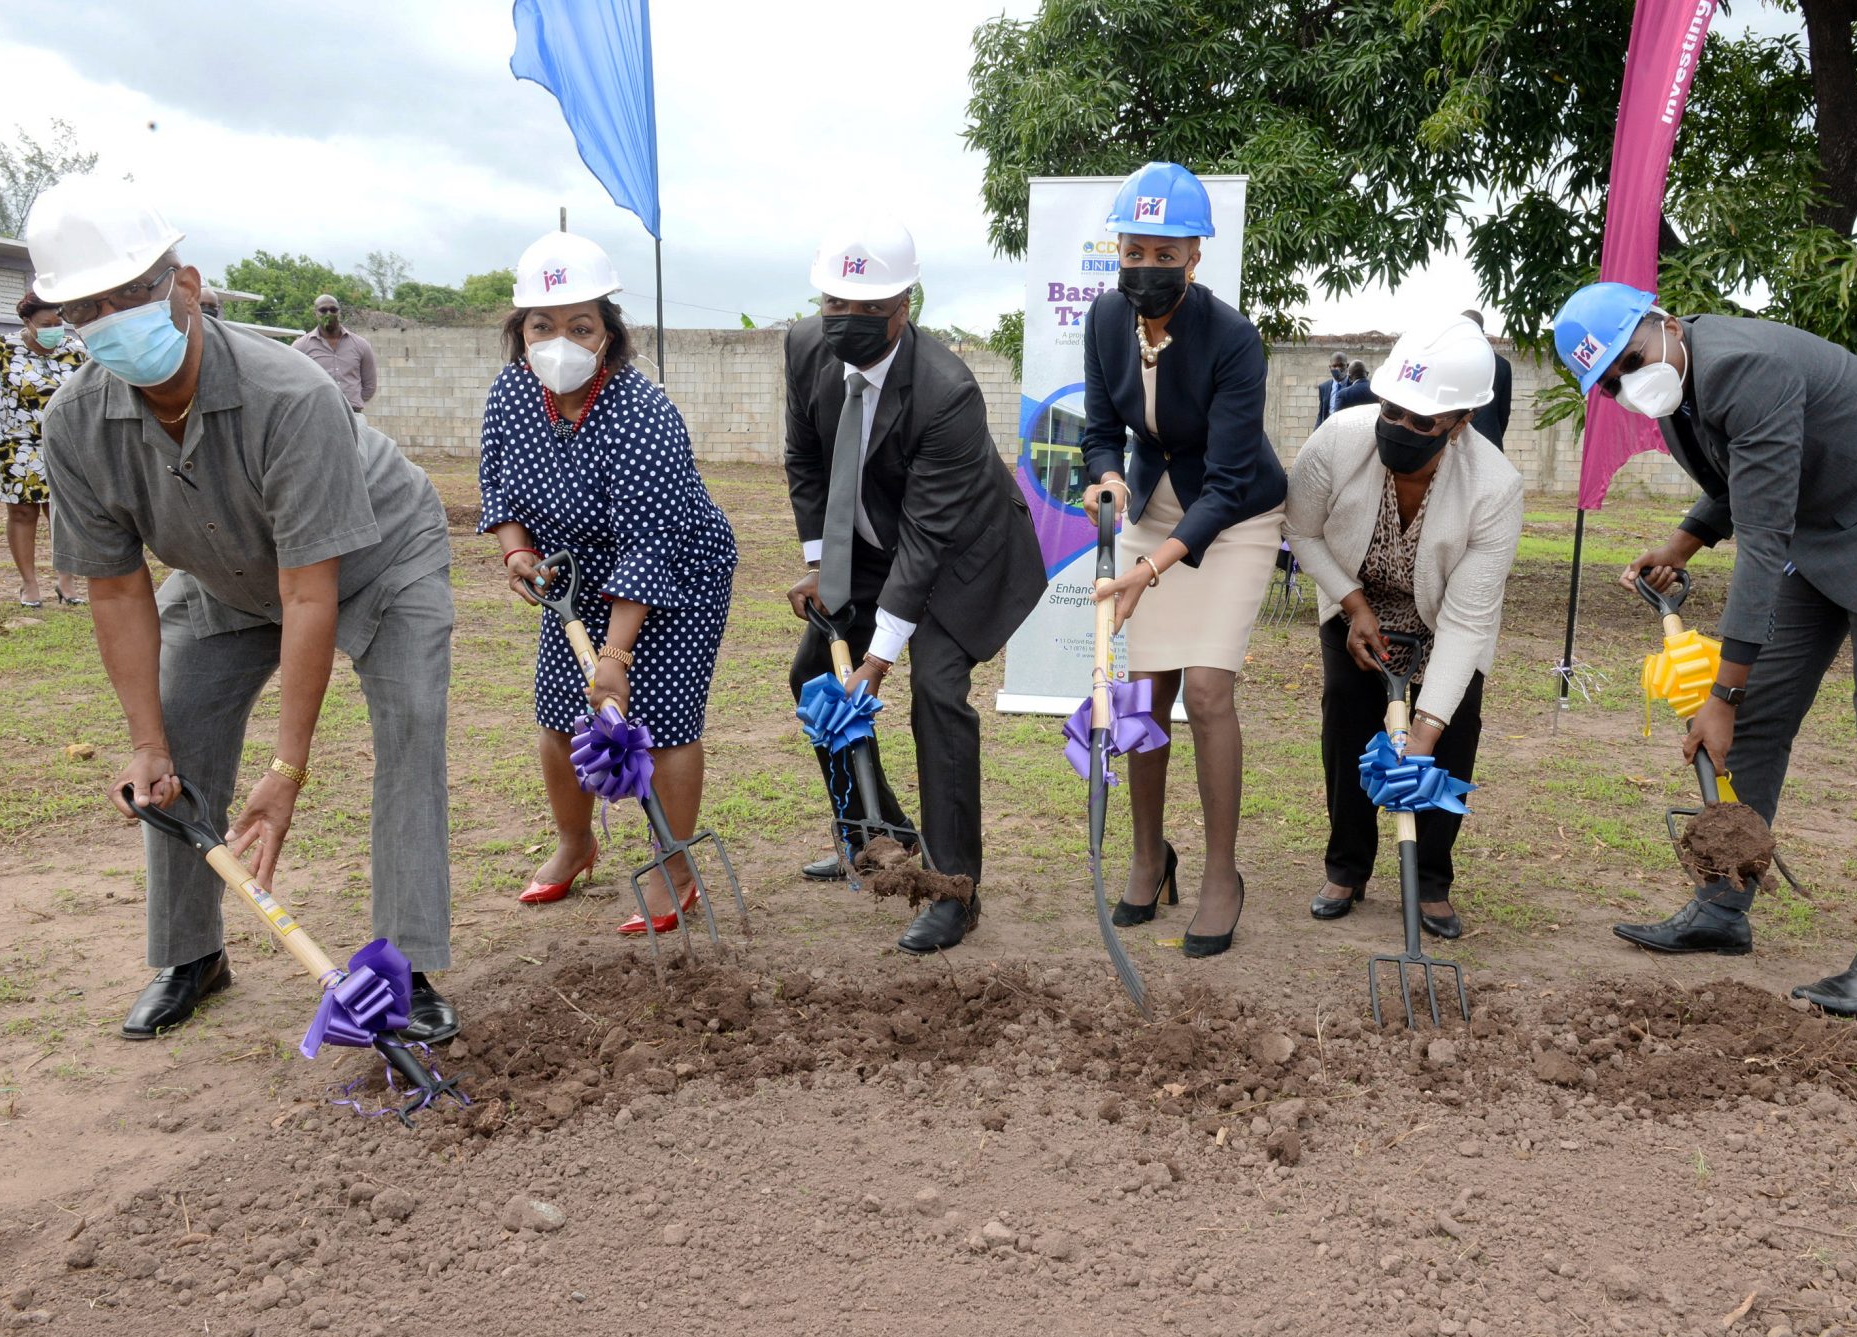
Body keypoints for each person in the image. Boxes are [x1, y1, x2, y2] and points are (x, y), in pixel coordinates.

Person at [26, 175, 459, 1043]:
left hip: (376, 557)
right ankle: (191, 955)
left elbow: (310, 589)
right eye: (87, 308)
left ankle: (404, 964)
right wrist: (146, 741)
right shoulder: (73, 423)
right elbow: (115, 587)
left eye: (130, 294)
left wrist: (289, 770)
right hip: (227, 579)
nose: (112, 319)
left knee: (408, 723)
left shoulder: (290, 394)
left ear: (185, 286)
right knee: (177, 741)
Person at [1553, 282, 1857, 1019]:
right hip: (1825, 526)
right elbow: (1741, 479)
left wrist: (1719, 695)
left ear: (1664, 322)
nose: (1629, 384)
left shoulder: (1746, 367)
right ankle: (1723, 907)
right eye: (1611, 383)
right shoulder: (1683, 390)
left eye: (1631, 359)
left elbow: (1762, 542)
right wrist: (1680, 544)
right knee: (1757, 719)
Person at [783, 215, 1043, 953]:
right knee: (812, 673)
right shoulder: (804, 347)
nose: (849, 321)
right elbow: (805, 458)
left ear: (907, 307)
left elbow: (928, 539)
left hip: (964, 549)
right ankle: (874, 835)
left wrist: (880, 654)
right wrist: (821, 567)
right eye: (838, 304)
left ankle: (954, 891)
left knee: (932, 687)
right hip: (870, 543)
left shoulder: (947, 392)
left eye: (870, 310)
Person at [479, 231, 738, 934]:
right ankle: (575, 841)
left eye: (580, 325)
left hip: (676, 570)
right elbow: (496, 488)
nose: (559, 339)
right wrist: (515, 555)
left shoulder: (641, 414)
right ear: (521, 331)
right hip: (573, 575)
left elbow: (650, 546)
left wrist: (617, 658)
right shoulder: (510, 395)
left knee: (662, 723)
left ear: (608, 334)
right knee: (559, 716)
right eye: (542, 325)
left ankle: (675, 863)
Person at [1080, 162, 1290, 959]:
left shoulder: (1233, 339)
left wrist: (1151, 567)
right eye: (1134, 251)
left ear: (1195, 258)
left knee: (1204, 691)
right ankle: (1147, 854)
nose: (1147, 269)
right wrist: (1106, 477)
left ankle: (1222, 874)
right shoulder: (1105, 322)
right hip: (1154, 507)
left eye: (1165, 256)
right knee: (1141, 693)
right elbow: (1104, 427)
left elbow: (1233, 479)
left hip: (1234, 516)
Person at [1285, 315, 1522, 940]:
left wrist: (1425, 729)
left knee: (1450, 737)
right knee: (1349, 726)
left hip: (1447, 623)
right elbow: (1303, 531)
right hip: (1355, 604)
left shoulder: (1494, 487)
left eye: (1422, 422)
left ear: (1461, 421)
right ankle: (1347, 867)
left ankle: (1431, 880)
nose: (1400, 428)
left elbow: (1469, 622)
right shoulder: (1339, 439)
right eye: (1392, 410)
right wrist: (1353, 605)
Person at [0, 295, 89, 605]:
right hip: (15, 442)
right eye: (46, 325)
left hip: (64, 440)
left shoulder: (74, 350)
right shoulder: (2, 347)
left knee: (61, 512)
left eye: (58, 323)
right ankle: (29, 584)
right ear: (28, 323)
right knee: (23, 511)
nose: (54, 329)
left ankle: (66, 583)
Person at [292, 293, 378, 412]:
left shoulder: (361, 345)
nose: (329, 314)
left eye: (333, 310)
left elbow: (369, 386)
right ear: (315, 314)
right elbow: (294, 382)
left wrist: (351, 403)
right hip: (317, 412)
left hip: (352, 414)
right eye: (323, 310)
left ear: (339, 313)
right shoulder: (301, 346)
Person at [1461, 309, 1515, 450]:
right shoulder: (1502, 365)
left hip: (1455, 440)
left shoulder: (1448, 360)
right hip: (1489, 441)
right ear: (1482, 331)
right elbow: (1503, 413)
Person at [1314, 350, 1349, 428]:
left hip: (1347, 429)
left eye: (1341, 365)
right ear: (1330, 367)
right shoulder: (1324, 387)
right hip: (1329, 428)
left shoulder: (1353, 385)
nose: (1338, 369)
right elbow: (1321, 414)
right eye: (1335, 366)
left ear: (1347, 366)